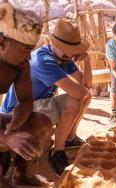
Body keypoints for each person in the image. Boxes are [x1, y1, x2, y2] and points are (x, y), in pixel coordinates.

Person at [1, 19, 92, 177]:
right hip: (11, 113)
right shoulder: (43, 60)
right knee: (73, 101)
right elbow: (80, 93)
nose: (71, 54)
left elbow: (86, 87)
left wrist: (87, 60)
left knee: (81, 99)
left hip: (28, 109)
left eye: (73, 49)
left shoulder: (60, 58)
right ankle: (56, 151)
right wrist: (7, 137)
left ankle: (68, 140)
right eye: (25, 49)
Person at [0, 3, 53, 187]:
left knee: (41, 122)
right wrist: (6, 138)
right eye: (25, 50)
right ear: (2, 43)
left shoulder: (21, 64)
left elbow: (25, 100)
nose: (29, 57)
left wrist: (15, 123)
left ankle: (21, 174)